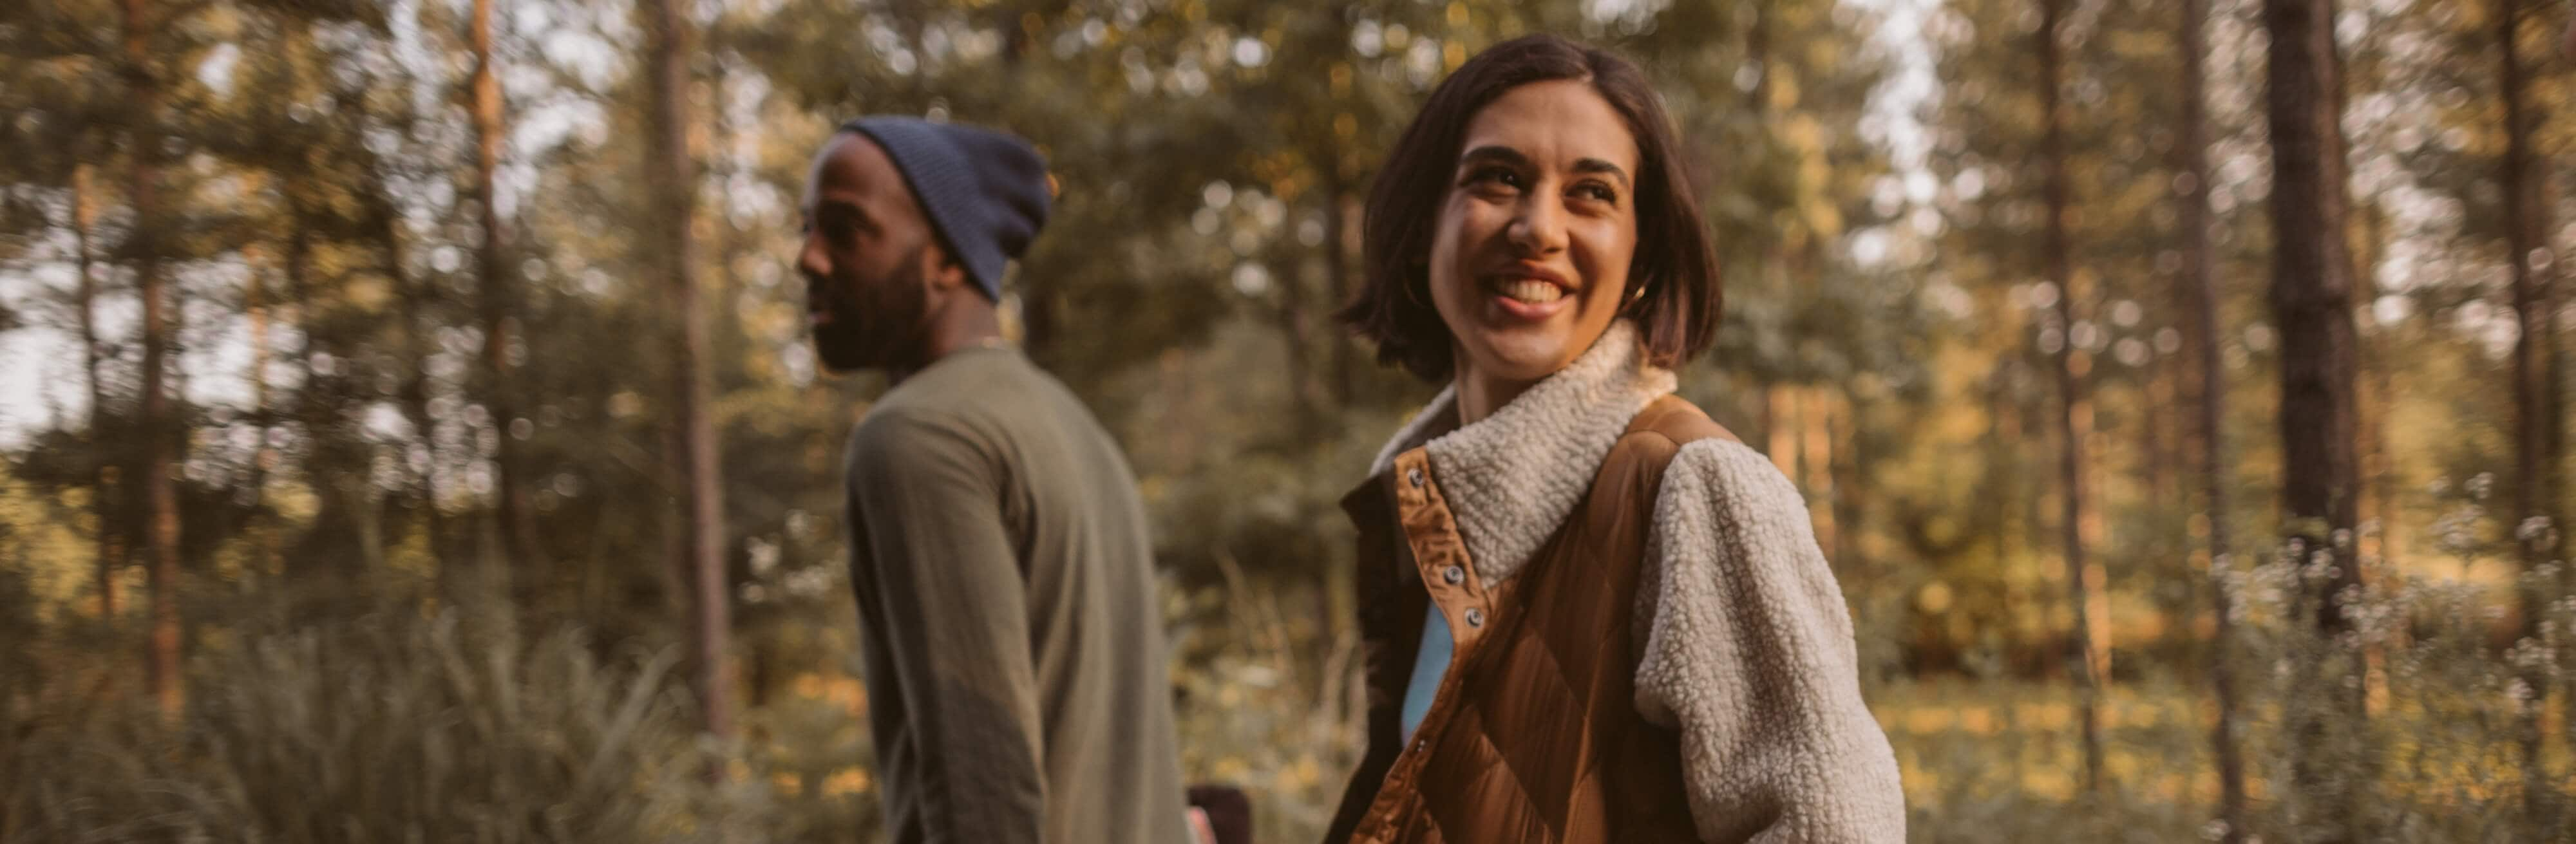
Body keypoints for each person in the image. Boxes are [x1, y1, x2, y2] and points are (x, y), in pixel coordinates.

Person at [1321, 35, 1905, 843]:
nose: (1538, 227)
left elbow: (1833, 826)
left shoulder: (1697, 487)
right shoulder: (1426, 509)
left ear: (1640, 258)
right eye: (1497, 178)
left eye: (1591, 193)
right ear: (1425, 220)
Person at [798, 116, 1191, 844]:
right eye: (806, 228)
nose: (808, 259)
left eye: (845, 229)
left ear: (947, 258)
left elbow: (986, 792)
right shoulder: (1074, 428)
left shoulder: (918, 437)